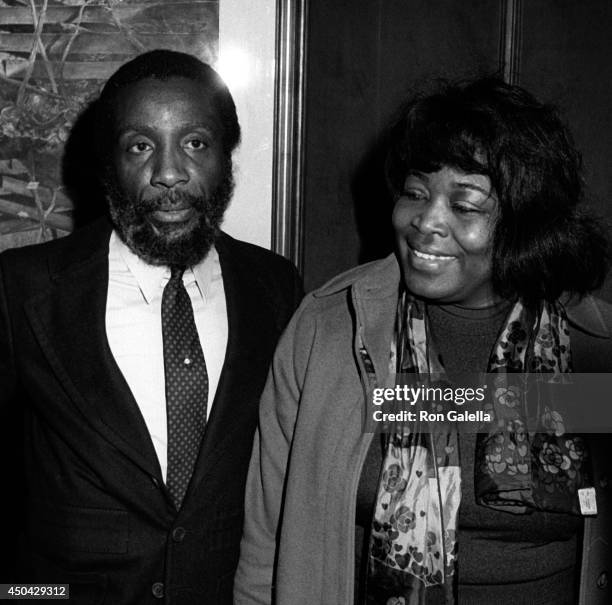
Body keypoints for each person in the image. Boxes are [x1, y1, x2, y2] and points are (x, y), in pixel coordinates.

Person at [234, 78, 612, 605]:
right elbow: (265, 543)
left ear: (526, 222)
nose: (426, 222)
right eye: (415, 193)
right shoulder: (330, 330)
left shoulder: (593, 348)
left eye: (465, 205)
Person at [0, 49, 302, 604]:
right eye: (140, 146)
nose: (168, 173)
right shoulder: (22, 290)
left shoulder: (277, 288)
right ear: (108, 164)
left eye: (195, 143)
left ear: (227, 157)